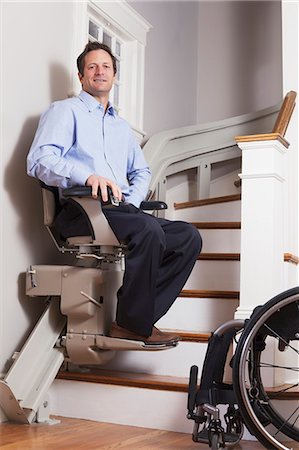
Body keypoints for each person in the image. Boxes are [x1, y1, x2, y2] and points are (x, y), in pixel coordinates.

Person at [27, 41, 202, 346]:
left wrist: (130, 200)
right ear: (81, 76)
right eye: (92, 67)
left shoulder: (122, 128)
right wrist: (87, 175)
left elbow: (142, 172)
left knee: (188, 237)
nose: (99, 72)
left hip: (119, 210)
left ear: (114, 76)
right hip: (81, 209)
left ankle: (137, 320)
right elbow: (39, 160)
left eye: (105, 67)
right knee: (148, 229)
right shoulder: (64, 111)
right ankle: (133, 324)